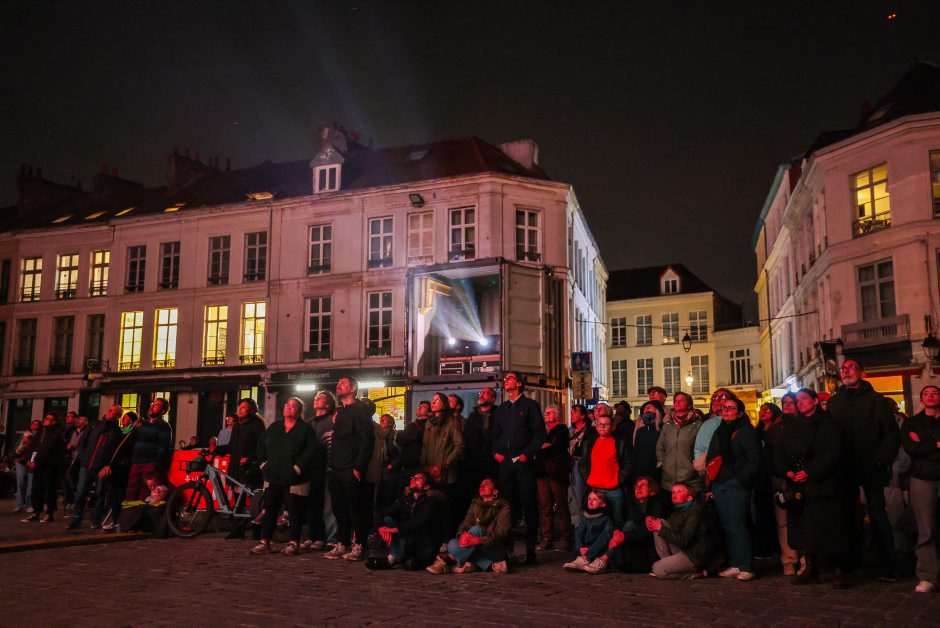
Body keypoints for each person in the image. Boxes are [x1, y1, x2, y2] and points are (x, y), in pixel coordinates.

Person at [827, 359, 900, 581]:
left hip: (871, 467)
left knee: (877, 516)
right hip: (844, 469)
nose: (846, 371)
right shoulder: (835, 402)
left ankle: (887, 565)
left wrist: (880, 460)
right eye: (843, 369)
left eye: (851, 367)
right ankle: (850, 563)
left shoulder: (876, 400)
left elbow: (890, 433)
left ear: (862, 372)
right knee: (846, 517)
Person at [776, 388, 847, 588]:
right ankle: (811, 566)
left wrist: (811, 471)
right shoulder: (794, 426)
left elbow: (833, 453)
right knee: (806, 528)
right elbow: (782, 451)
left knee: (831, 527)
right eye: (797, 400)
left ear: (815, 401)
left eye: (804, 399)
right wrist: (788, 471)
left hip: (825, 483)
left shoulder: (829, 424)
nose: (800, 402)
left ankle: (838, 569)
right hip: (800, 483)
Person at [250, 397, 318, 556]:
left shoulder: (305, 429)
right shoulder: (275, 427)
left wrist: (298, 467)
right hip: (273, 476)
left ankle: (294, 542)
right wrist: (263, 464)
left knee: (294, 510)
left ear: (299, 411)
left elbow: (311, 450)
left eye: (293, 405)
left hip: (295, 479)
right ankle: (265, 542)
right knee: (270, 509)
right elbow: (261, 445)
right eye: (287, 404)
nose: (289, 407)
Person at [492, 371, 546, 565]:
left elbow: (540, 434)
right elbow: (495, 433)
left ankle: (530, 549)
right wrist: (495, 452)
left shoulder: (530, 406)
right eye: (506, 379)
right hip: (505, 462)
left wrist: (526, 454)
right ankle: (505, 549)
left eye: (510, 378)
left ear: (520, 384)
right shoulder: (502, 408)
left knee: (529, 503)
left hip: (522, 462)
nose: (506, 381)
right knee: (506, 505)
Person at [706, 395, 760, 581]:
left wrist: (739, 480)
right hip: (719, 484)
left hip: (736, 484)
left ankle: (746, 565)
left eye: (731, 408)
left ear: (740, 412)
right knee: (727, 525)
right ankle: (735, 563)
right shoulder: (720, 431)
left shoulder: (746, 432)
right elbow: (711, 456)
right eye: (724, 408)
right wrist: (712, 482)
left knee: (738, 524)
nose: (726, 411)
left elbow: (754, 460)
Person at [325, 377, 375, 561]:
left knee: (356, 508)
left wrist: (359, 467)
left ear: (353, 389)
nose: (339, 385)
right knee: (339, 508)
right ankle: (343, 542)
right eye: (338, 383)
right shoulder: (341, 412)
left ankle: (360, 544)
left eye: (343, 383)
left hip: (351, 468)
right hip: (336, 467)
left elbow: (366, 439)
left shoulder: (360, 409)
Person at [901, 385, 940, 593]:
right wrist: (936, 445)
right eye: (926, 393)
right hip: (922, 477)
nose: (931, 396)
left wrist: (926, 444)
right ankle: (928, 575)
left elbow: (920, 448)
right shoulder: (912, 423)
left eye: (935, 393)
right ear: (922, 401)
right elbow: (912, 449)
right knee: (926, 528)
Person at [756, 402, 798, 575]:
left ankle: (801, 558)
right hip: (771, 478)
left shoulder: (781, 429)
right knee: (781, 521)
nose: (763, 412)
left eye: (767, 409)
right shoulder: (758, 432)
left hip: (788, 476)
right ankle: (788, 558)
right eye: (761, 409)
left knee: (793, 519)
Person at [647, 482, 720, 579]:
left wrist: (660, 528)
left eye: (679, 491)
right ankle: (670, 566)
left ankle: (696, 574)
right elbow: (672, 534)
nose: (674, 494)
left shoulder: (695, 512)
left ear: (689, 498)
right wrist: (652, 521)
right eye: (673, 492)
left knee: (657, 568)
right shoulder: (679, 511)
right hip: (683, 550)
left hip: (694, 555)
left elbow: (683, 541)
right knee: (660, 522)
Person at [438, 478, 511, 574]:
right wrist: (462, 536)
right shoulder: (476, 504)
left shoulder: (503, 506)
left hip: (493, 547)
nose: (482, 486)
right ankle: (488, 565)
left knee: (476, 530)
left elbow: (501, 533)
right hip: (473, 546)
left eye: (486, 484)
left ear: (495, 491)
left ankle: (450, 560)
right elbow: (466, 523)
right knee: (452, 543)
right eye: (481, 484)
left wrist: (479, 540)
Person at [68, 404, 124, 529]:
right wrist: (84, 457)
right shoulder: (95, 425)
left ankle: (96, 520)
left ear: (117, 415)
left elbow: (115, 452)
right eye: (109, 410)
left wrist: (108, 465)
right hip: (87, 464)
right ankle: (77, 518)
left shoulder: (116, 432)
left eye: (112, 411)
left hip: (101, 467)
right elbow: (82, 441)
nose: (109, 412)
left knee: (100, 494)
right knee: (81, 492)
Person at [376, 471, 444, 571]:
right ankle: (394, 556)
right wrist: (381, 527)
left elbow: (419, 521)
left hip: (424, 541)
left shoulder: (431, 501)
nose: (413, 480)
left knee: (410, 564)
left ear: (426, 486)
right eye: (413, 477)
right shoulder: (406, 499)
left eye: (418, 478)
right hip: (407, 538)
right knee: (387, 519)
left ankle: (398, 557)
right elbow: (382, 513)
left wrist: (394, 529)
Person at [605, 476, 670, 573]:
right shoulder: (632, 504)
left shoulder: (657, 505)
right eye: (636, 486)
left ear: (652, 491)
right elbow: (621, 522)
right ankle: (591, 555)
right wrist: (616, 533)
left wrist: (623, 537)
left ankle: (603, 559)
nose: (638, 488)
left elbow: (648, 531)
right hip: (632, 541)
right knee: (611, 528)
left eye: (642, 485)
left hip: (648, 547)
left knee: (630, 524)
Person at [579, 407, 630, 528]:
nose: (602, 426)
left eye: (606, 424)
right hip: (594, 490)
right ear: (596, 427)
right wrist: (588, 479)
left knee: (617, 522)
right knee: (595, 523)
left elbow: (628, 464)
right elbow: (583, 464)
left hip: (614, 490)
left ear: (612, 427)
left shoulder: (619, 443)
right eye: (600, 424)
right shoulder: (590, 444)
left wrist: (618, 480)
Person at [422, 392, 464, 536]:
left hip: (446, 474)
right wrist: (424, 466)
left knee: (446, 508)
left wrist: (446, 463)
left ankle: (446, 538)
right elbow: (425, 447)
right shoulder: (429, 423)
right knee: (430, 506)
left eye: (437, 400)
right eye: (432, 399)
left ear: (444, 404)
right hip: (429, 472)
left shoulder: (452, 422)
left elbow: (459, 446)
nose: (433, 402)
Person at [535, 404, 572, 551]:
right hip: (541, 473)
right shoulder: (542, 431)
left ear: (557, 416)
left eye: (550, 413)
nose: (546, 414)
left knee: (561, 507)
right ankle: (546, 537)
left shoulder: (561, 429)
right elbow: (538, 447)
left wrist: (544, 448)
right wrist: (543, 447)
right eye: (545, 412)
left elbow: (559, 447)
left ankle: (565, 538)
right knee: (545, 507)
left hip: (556, 473)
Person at [303, 391, 336, 551]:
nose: (316, 399)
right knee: (313, 503)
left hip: (329, 468)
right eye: (316, 397)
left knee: (329, 505)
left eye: (320, 398)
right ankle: (314, 535)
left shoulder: (332, 421)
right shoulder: (310, 422)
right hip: (313, 469)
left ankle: (331, 538)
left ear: (328, 404)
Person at [125, 398, 174, 501]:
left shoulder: (163, 426)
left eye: (156, 405)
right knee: (131, 493)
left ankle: (142, 511)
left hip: (150, 465)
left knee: (145, 495)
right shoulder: (143, 425)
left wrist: (156, 465)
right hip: (136, 463)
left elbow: (164, 448)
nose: (152, 407)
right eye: (152, 404)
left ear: (163, 411)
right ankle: (129, 511)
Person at [461, 388, 498, 514]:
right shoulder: (472, 417)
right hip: (474, 463)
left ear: (493, 399)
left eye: (486, 393)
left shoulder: (498, 415)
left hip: (493, 462)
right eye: (481, 393)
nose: (482, 395)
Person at [23, 413, 65, 523]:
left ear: (54, 421)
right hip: (38, 466)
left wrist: (35, 461)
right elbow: (33, 448)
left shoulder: (56, 434)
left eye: (49, 419)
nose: (46, 420)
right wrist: (30, 460)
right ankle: (36, 511)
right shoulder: (41, 432)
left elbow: (47, 450)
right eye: (46, 418)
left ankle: (49, 513)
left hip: (49, 465)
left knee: (49, 489)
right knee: (36, 488)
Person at [656, 392, 702, 492]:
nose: (677, 402)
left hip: (690, 481)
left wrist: (693, 467)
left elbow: (701, 449)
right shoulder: (668, 425)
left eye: (681, 400)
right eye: (676, 401)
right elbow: (660, 447)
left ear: (689, 405)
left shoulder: (697, 425)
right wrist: (664, 464)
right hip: (669, 481)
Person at [564, 489, 614, 573]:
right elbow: (579, 533)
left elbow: (604, 538)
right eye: (589, 499)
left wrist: (590, 551)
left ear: (603, 504)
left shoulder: (606, 519)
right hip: (584, 548)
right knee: (577, 531)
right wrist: (581, 548)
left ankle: (587, 559)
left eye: (595, 499)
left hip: (598, 549)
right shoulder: (585, 517)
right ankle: (582, 561)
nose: (591, 501)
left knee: (608, 537)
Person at [693, 388, 733, 473]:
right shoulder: (706, 423)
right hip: (708, 472)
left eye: (723, 397)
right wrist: (701, 465)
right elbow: (699, 448)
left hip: (730, 472)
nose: (717, 400)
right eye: (714, 397)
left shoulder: (737, 422)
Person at [632, 400, 664, 483]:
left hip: (658, 474)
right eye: (644, 408)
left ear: (657, 410)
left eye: (649, 407)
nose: (646, 409)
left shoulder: (663, 429)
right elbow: (636, 453)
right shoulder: (640, 431)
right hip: (641, 473)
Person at [13, 420, 40, 513]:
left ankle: (29, 504)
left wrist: (32, 460)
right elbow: (16, 447)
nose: (34, 425)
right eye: (33, 423)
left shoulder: (39, 436)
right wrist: (16, 456)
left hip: (31, 461)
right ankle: (19, 505)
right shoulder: (25, 434)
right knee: (20, 484)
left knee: (30, 485)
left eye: (36, 424)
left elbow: (36, 450)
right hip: (21, 461)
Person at [568, 404, 590, 514]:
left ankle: (581, 517)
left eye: (574, 412)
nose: (571, 415)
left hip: (580, 464)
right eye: (571, 412)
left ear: (582, 415)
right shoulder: (570, 430)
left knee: (579, 493)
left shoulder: (588, 431)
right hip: (569, 464)